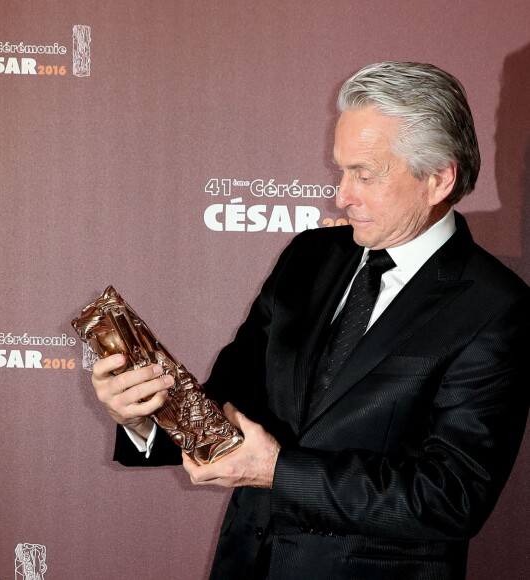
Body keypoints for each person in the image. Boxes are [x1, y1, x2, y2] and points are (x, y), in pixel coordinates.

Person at [92, 62, 530, 579]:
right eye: (341, 170)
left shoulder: (495, 309)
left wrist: (276, 471)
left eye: (364, 175)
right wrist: (145, 418)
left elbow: (449, 496)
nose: (340, 195)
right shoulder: (309, 258)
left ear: (439, 179)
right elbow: (232, 401)